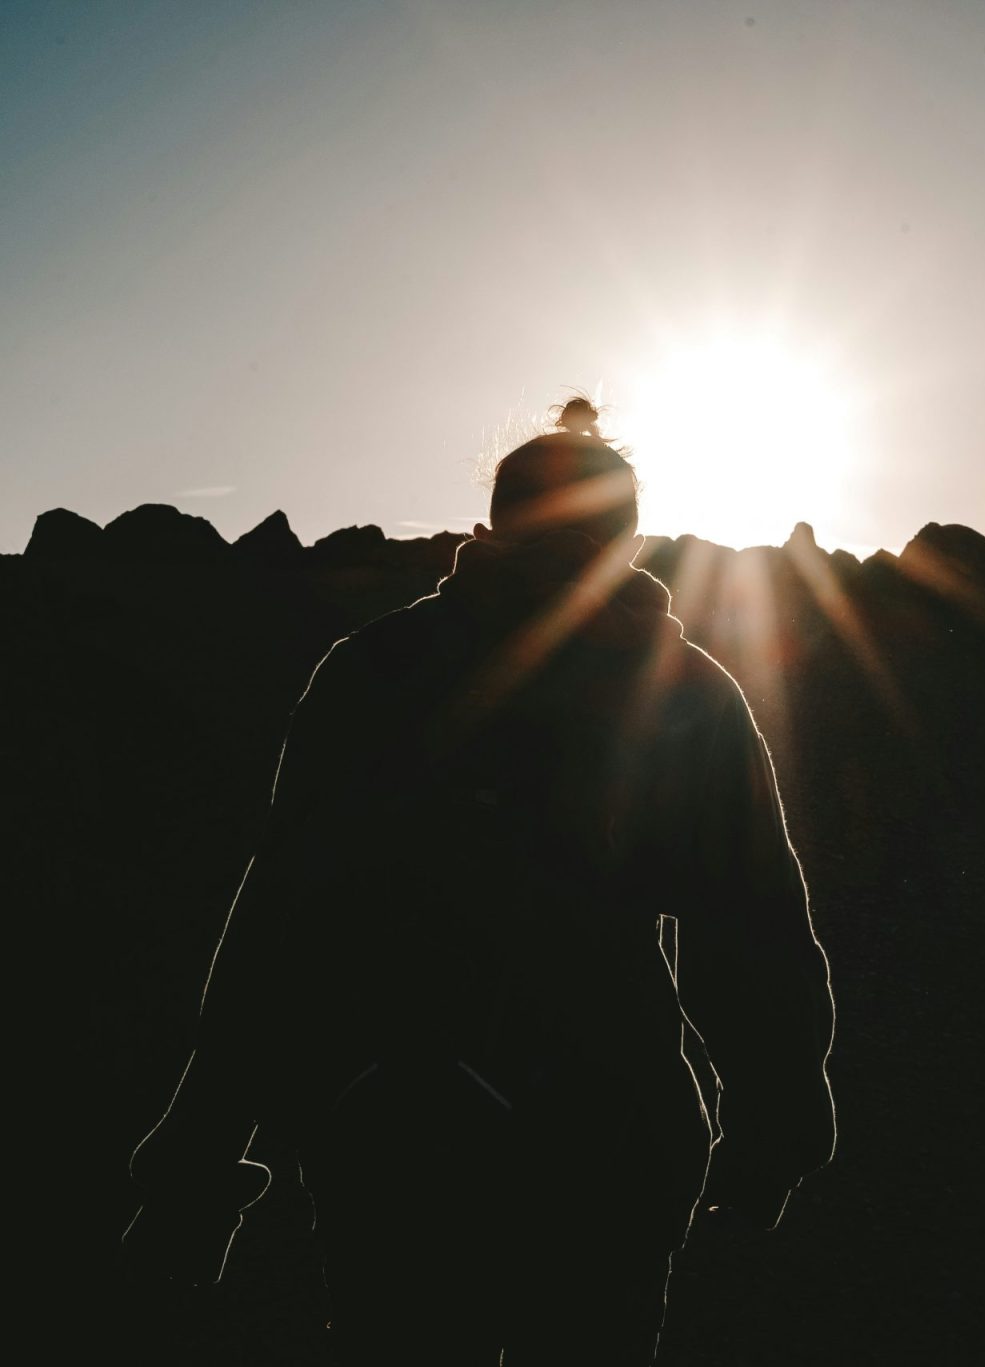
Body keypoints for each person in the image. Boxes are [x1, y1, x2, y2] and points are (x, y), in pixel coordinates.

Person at [123, 398, 836, 1364]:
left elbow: (282, 923)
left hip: (396, 1140)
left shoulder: (378, 668)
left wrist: (197, 1166)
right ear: (630, 539)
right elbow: (752, 926)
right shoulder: (687, 689)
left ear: (497, 521)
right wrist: (775, 1121)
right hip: (606, 1142)